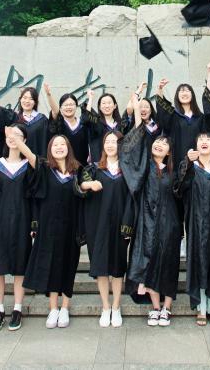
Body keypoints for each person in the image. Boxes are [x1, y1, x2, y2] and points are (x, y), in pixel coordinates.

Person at [23, 134, 86, 329]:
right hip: (49, 226)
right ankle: (53, 308)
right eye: (55, 144)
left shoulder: (78, 170)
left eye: (62, 144)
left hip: (71, 226)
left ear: (68, 148)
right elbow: (30, 156)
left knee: (69, 265)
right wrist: (17, 141)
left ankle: (65, 307)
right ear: (50, 149)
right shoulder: (45, 168)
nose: (59, 147)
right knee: (50, 265)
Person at [122, 126, 182, 327]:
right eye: (157, 141)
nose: (160, 145)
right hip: (147, 224)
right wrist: (138, 118)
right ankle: (156, 308)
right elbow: (130, 153)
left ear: (169, 152)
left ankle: (167, 307)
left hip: (170, 226)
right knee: (151, 264)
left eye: (165, 144)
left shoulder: (173, 173)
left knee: (169, 265)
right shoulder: (145, 168)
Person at [0, 123, 35, 332]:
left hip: (22, 219)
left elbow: (34, 195)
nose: (13, 138)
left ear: (25, 140)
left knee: (20, 264)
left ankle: (17, 308)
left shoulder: (29, 166)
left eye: (18, 135)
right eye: (10, 134)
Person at [80, 130, 133, 327]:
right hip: (98, 225)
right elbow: (79, 185)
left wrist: (128, 226)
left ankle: (116, 307)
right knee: (101, 266)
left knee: (118, 266)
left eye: (115, 141)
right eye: (107, 141)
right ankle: (105, 307)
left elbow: (132, 199)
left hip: (119, 224)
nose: (111, 145)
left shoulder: (127, 170)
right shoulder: (93, 169)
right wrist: (89, 185)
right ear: (103, 146)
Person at [173, 131, 210, 326]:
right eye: (200, 140)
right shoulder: (190, 168)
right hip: (196, 224)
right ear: (196, 146)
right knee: (198, 264)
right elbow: (178, 189)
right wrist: (187, 163)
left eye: (208, 140)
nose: (204, 142)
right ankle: (201, 308)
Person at [154, 78, 203, 164]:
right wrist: (160, 89)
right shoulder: (172, 115)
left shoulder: (200, 117)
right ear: (177, 96)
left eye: (187, 91)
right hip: (177, 160)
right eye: (181, 91)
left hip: (197, 161)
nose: (184, 93)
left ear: (192, 95)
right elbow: (162, 111)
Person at [45, 86, 94, 166]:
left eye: (71, 104)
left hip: (81, 166)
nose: (68, 107)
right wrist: (49, 95)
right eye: (65, 105)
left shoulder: (82, 123)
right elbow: (55, 111)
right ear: (61, 108)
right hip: (62, 166)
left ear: (76, 106)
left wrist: (90, 98)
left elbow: (87, 114)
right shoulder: (59, 123)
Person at [84, 91, 125, 164]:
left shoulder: (120, 124)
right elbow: (86, 117)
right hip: (99, 164)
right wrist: (90, 98)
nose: (107, 106)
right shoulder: (95, 123)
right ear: (99, 107)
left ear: (115, 106)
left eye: (109, 103)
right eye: (103, 103)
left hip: (117, 164)